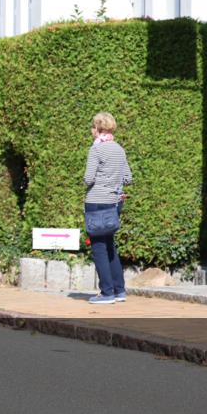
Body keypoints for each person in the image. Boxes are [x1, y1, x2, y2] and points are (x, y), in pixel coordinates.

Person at [82, 111, 133, 305]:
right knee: (110, 245)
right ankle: (119, 290)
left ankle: (106, 293)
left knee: (99, 248)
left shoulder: (96, 150)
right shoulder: (119, 149)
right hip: (114, 202)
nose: (91, 130)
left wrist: (94, 183)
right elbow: (128, 178)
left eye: (92, 126)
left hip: (97, 202)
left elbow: (88, 178)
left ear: (98, 128)